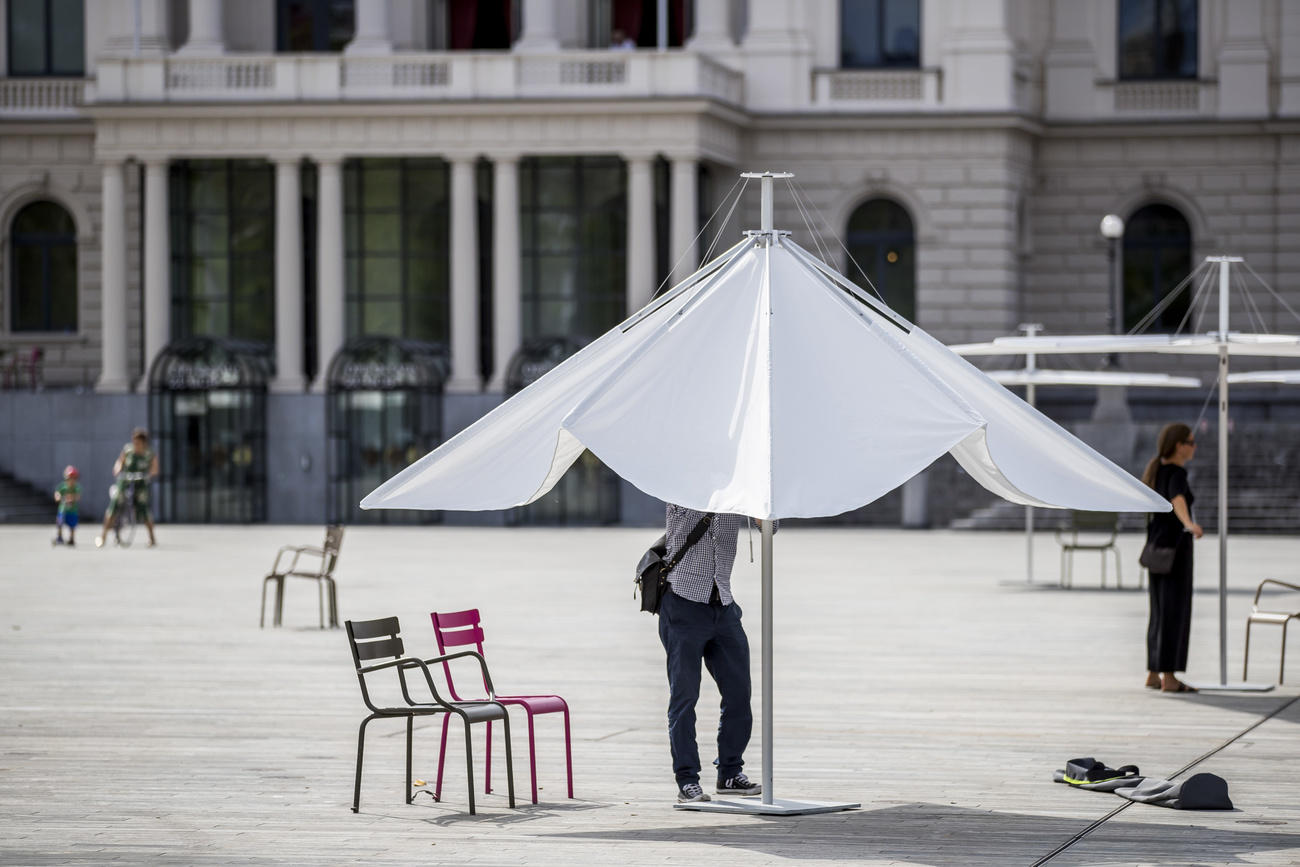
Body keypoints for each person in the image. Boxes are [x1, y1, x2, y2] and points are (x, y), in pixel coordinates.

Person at [659, 503, 763, 803]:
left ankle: (730, 773)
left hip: (723, 604)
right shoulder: (683, 489)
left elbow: (772, 527)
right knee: (684, 697)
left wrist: (759, 505)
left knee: (739, 694)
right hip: (683, 604)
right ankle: (687, 779)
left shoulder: (739, 493)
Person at [1141, 422, 1203, 693]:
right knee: (1174, 612)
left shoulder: (1156, 470)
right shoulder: (1176, 472)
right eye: (1190, 441)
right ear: (1179, 446)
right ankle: (1170, 678)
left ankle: (1154, 673)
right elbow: (1178, 499)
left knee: (1158, 611)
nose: (1194, 446)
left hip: (1156, 549)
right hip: (1175, 550)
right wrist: (1189, 524)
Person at [96, 428, 160, 548]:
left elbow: (155, 469)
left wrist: (148, 475)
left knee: (144, 508)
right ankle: (103, 536)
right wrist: (117, 470)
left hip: (140, 483)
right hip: (125, 481)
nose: (136, 445)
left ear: (144, 443)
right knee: (114, 505)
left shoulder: (149, 454)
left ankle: (152, 538)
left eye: (138, 443)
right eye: (134, 442)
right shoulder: (128, 450)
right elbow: (120, 462)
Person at [53, 465, 81, 546]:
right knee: (59, 523)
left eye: (73, 478)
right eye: (69, 478)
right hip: (63, 509)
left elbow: (78, 496)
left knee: (72, 525)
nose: (71, 480)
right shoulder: (63, 487)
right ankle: (59, 537)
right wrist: (58, 497)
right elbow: (57, 493)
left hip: (72, 510)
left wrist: (71, 498)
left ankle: (71, 538)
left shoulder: (76, 487)